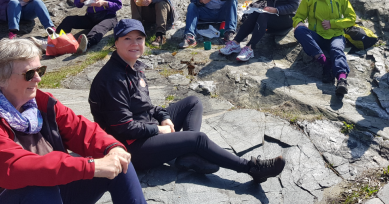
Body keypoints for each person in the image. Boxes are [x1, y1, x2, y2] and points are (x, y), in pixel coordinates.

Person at [0, 38, 180, 204]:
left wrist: (112, 148)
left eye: (40, 69)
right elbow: (17, 167)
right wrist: (90, 166)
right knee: (34, 188)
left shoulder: (42, 105)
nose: (38, 78)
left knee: (118, 161)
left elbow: (83, 129)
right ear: (1, 78)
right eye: (29, 74)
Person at [88, 19, 286, 182]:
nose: (134, 43)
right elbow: (123, 127)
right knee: (198, 139)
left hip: (144, 128)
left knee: (193, 102)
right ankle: (251, 168)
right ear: (116, 43)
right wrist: (160, 129)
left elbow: (146, 106)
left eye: (139, 38)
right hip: (129, 148)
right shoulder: (113, 79)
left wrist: (164, 118)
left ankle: (189, 154)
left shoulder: (133, 66)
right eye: (127, 39)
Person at [292, 0, 356, 97]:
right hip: (318, 36)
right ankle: (325, 63)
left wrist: (332, 23)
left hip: (336, 35)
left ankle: (342, 80)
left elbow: (351, 19)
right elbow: (298, 17)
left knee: (337, 50)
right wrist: (300, 24)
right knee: (299, 31)